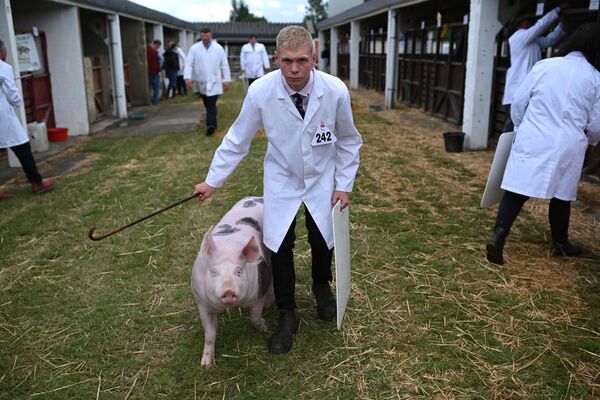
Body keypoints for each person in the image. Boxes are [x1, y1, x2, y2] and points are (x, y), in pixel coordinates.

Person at [193, 25, 362, 354]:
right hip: (282, 177)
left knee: (320, 237)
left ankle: (321, 287)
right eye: (287, 61)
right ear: (276, 59)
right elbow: (237, 140)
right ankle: (287, 312)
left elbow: (349, 140)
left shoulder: (335, 91)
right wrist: (213, 181)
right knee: (280, 245)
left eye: (302, 60)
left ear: (314, 57)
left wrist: (343, 185)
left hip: (321, 176)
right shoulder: (260, 92)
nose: (295, 69)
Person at [486, 23, 600, 265]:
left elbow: (518, 102)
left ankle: (498, 235)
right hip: (569, 143)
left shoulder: (544, 66)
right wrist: (590, 143)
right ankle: (560, 244)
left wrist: (520, 127)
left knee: (516, 190)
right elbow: (597, 124)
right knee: (562, 196)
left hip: (534, 135)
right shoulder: (595, 78)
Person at [0, 40, 55, 200]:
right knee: (22, 146)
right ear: (1, 53)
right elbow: (12, 94)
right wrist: (18, 102)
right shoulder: (3, 67)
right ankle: (37, 182)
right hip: (3, 116)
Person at [502, 3, 567, 132]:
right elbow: (540, 26)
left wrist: (562, 25)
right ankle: (504, 149)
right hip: (518, 88)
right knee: (511, 123)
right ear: (520, 25)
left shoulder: (530, 41)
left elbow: (550, 40)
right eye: (527, 21)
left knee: (521, 122)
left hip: (526, 86)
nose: (530, 23)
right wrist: (557, 10)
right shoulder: (518, 37)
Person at [184, 28, 231, 136]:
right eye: (203, 36)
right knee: (207, 103)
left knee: (211, 103)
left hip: (214, 81)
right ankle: (213, 123)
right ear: (200, 36)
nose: (204, 38)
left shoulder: (218, 48)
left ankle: (210, 125)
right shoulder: (194, 48)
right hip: (201, 81)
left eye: (207, 35)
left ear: (211, 35)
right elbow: (189, 63)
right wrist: (188, 78)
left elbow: (224, 64)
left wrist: (226, 80)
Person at [147, 39, 161, 105]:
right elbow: (161, 60)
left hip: (148, 72)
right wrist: (160, 67)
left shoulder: (145, 51)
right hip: (155, 71)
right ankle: (155, 100)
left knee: (149, 87)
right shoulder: (155, 52)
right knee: (156, 87)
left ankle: (150, 99)